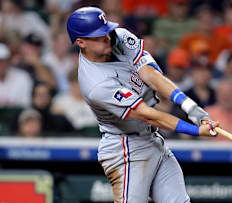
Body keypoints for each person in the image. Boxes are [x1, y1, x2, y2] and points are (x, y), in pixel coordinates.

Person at [66, 7, 218, 203]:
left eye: (107, 31)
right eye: (99, 36)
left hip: (151, 138)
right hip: (125, 149)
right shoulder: (95, 83)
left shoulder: (118, 37)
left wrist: (190, 106)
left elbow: (150, 74)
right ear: (81, 42)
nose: (107, 37)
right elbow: (148, 114)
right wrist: (196, 131)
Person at [0, 43, 33, 108]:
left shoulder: (23, 77)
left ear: (8, 61)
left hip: (17, 116)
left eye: (3, 61)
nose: (1, 65)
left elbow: (25, 104)